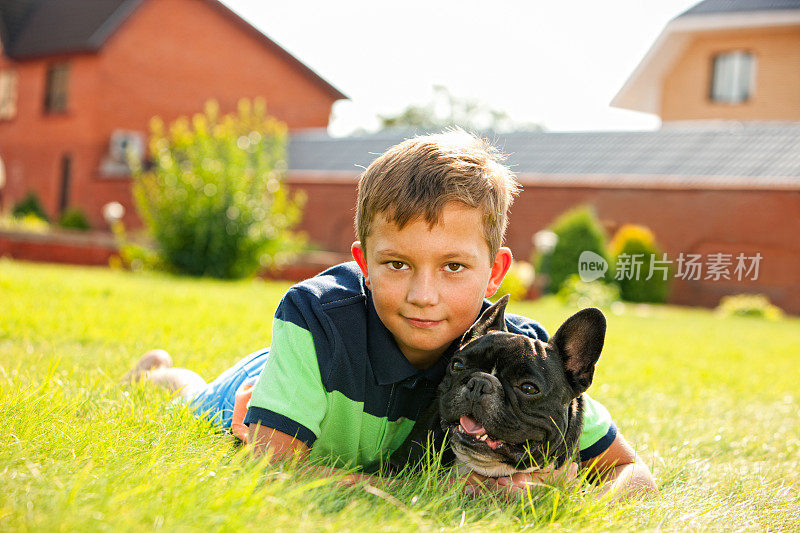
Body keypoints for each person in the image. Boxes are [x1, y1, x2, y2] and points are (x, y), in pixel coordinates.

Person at [125, 129, 657, 499]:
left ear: (495, 272)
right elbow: (273, 472)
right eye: (398, 264)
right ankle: (156, 372)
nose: (423, 294)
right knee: (190, 397)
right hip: (277, 379)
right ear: (363, 264)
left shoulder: (520, 358)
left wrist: (553, 491)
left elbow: (633, 474)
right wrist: (442, 491)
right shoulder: (315, 320)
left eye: (453, 266)